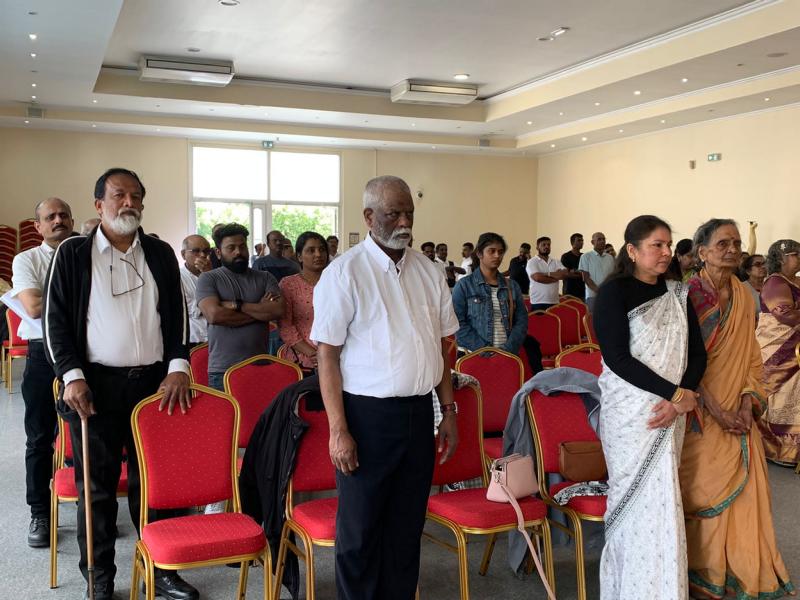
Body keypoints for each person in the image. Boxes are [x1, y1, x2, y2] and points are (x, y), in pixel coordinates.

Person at [43, 168, 197, 600]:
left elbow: (178, 316)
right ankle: (100, 576)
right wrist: (71, 376)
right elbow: (55, 321)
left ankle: (163, 568)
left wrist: (179, 366)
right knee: (98, 486)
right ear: (99, 205)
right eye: (118, 195)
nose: (129, 203)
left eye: (136, 195)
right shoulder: (73, 252)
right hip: (96, 387)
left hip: (155, 386)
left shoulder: (160, 252)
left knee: (160, 482)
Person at [310, 175, 459, 600]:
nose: (405, 222)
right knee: (360, 532)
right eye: (394, 213)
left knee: (406, 529)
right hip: (366, 418)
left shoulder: (429, 271)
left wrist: (448, 412)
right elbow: (327, 356)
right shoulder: (345, 273)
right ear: (369, 216)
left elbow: (443, 347)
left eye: (409, 212)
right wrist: (338, 430)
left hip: (419, 413)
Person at [680, 219, 793, 600]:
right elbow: (681, 365)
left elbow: (751, 354)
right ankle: (704, 572)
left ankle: (739, 570)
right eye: (723, 243)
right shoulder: (688, 296)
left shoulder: (745, 295)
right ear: (702, 252)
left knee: (746, 496)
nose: (732, 249)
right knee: (701, 490)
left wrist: (747, 402)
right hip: (700, 413)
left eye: (737, 243)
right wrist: (717, 411)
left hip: (739, 414)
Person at [594, 215, 704, 599]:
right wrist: (676, 396)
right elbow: (617, 359)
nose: (666, 252)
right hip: (632, 416)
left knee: (664, 500)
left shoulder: (678, 294)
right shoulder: (613, 293)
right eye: (657, 244)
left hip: (671, 412)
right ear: (632, 250)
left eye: (668, 245)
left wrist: (681, 398)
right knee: (633, 500)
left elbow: (697, 355)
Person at [11, 197, 75, 548]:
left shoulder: (85, 254)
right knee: (39, 438)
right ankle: (40, 512)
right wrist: (77, 299)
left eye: (63, 215)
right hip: (43, 354)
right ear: (38, 226)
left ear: (72, 220)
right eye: (50, 216)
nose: (58, 220)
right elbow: (34, 308)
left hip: (83, 353)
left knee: (86, 434)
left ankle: (88, 502)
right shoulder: (27, 259)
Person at [197, 223, 284, 392]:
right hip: (223, 370)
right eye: (231, 248)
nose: (238, 252)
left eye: (242, 246)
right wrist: (260, 311)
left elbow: (277, 310)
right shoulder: (208, 278)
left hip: (261, 364)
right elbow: (214, 315)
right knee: (227, 412)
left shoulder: (265, 277)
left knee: (261, 410)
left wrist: (237, 305)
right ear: (218, 253)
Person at [452, 232, 541, 373]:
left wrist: (507, 350)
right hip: (473, 356)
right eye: (491, 251)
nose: (497, 255)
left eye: (500, 252)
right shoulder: (464, 286)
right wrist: (486, 350)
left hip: (507, 356)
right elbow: (458, 324)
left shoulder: (512, 286)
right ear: (479, 254)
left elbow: (521, 321)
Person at [755, 240, 800, 465]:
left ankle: (794, 451)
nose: (799, 258)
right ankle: (778, 450)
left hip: (794, 349)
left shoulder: (794, 281)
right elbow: (785, 315)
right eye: (795, 254)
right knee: (781, 398)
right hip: (779, 350)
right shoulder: (775, 282)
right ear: (781, 258)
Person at [278, 231, 328, 371]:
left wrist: (329, 355)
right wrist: (314, 354)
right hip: (302, 359)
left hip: (336, 356)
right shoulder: (289, 284)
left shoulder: (337, 282)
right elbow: (285, 327)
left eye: (322, 250)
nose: (318, 254)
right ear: (299, 256)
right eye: (311, 250)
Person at [179, 235, 211, 346]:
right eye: (196, 251)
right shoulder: (176, 277)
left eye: (206, 251)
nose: (203, 255)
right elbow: (191, 309)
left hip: (217, 337)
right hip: (193, 339)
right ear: (183, 254)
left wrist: (208, 275)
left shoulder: (215, 275)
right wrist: (216, 305)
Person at [526, 236, 567, 311]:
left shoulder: (556, 261)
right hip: (538, 302)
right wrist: (555, 277)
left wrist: (546, 274)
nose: (546, 247)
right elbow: (538, 278)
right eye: (543, 245)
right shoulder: (532, 262)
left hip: (554, 301)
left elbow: (564, 274)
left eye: (548, 245)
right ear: (537, 247)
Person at [579, 231, 615, 311]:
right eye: (599, 239)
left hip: (608, 295)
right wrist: (599, 291)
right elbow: (586, 278)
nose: (602, 241)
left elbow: (612, 277)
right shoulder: (585, 257)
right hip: (592, 296)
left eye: (603, 239)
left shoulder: (610, 258)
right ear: (592, 242)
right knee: (593, 318)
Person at [560, 233, 585, 299]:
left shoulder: (584, 256)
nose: (582, 242)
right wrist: (582, 274)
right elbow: (566, 274)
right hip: (569, 292)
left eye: (582, 240)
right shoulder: (566, 256)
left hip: (583, 292)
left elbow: (588, 272)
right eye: (579, 240)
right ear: (572, 242)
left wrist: (575, 271)